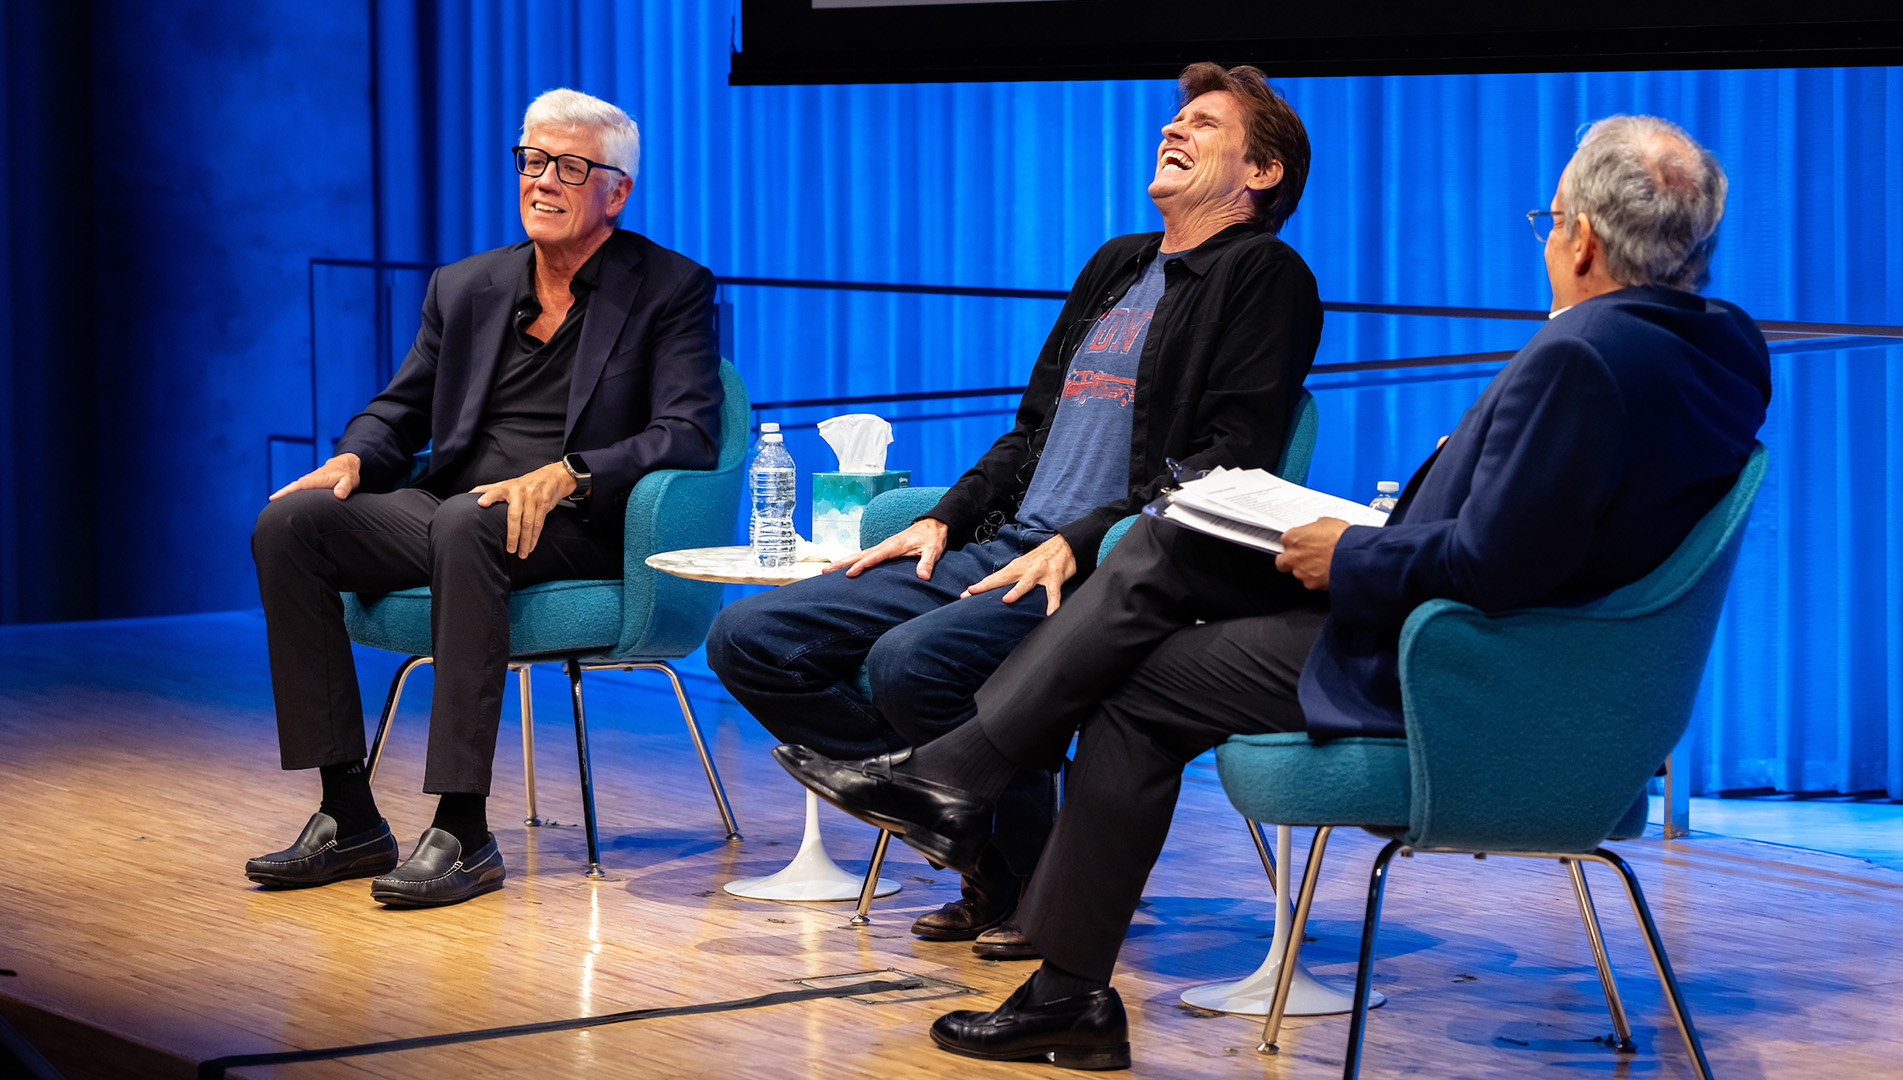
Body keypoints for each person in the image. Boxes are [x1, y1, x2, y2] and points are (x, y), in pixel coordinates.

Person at [778, 114, 1771, 1069]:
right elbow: (1539, 540)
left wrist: (1349, 555)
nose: (1545, 241)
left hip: (1455, 668)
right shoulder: (1723, 348)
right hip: (1518, 655)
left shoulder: (1584, 356)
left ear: (1585, 240)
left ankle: (993, 838)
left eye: (1548, 222)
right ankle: (1001, 857)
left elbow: (1499, 566)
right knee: (1172, 548)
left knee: (1149, 626)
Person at [706, 62, 1323, 947]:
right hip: (1004, 544)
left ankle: (1018, 879)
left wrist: (1085, 539)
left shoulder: (1265, 277)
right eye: (1173, 119)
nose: (1172, 131)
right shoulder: (1117, 265)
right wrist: (946, 516)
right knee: (750, 639)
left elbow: (1229, 461)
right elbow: (1031, 429)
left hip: (1114, 570)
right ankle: (965, 822)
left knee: (914, 664)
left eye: (1204, 125)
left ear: (1261, 174)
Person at [246, 89, 724, 908]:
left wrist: (569, 469)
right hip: (455, 506)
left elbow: (689, 433)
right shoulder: (466, 286)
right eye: (531, 161)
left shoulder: (670, 287)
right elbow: (400, 406)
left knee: (473, 522)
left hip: (577, 523)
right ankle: (348, 810)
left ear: (617, 191)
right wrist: (355, 458)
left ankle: (463, 828)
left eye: (570, 167)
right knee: (291, 523)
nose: (543, 181)